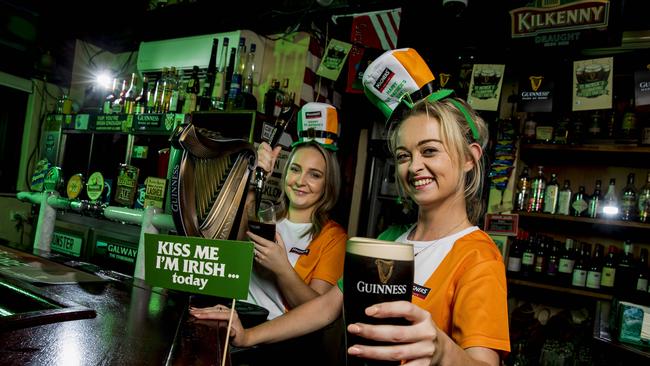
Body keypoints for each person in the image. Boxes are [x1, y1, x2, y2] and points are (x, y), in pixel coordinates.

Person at [190, 48, 510, 365]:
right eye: (403, 155)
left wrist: (442, 350)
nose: (414, 167)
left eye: (429, 151)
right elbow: (327, 307)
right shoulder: (389, 240)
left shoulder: (478, 258)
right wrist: (248, 336)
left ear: (470, 158)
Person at [240, 101, 348, 320]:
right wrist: (256, 179)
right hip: (234, 321)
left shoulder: (333, 238)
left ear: (329, 183)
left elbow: (319, 311)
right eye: (295, 169)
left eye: (314, 175)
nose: (300, 181)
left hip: (277, 340)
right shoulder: (264, 218)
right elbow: (229, 237)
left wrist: (282, 268)